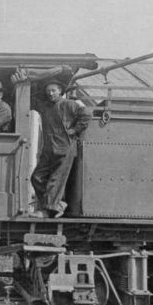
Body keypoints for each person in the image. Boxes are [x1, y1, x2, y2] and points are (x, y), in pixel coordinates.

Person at [29, 81, 90, 218]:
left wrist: (74, 129)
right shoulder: (45, 107)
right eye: (48, 91)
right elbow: (32, 101)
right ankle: (57, 205)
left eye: (53, 90)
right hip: (49, 149)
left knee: (55, 180)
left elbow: (86, 114)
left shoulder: (68, 104)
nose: (50, 93)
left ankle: (50, 210)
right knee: (36, 177)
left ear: (60, 91)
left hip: (64, 148)